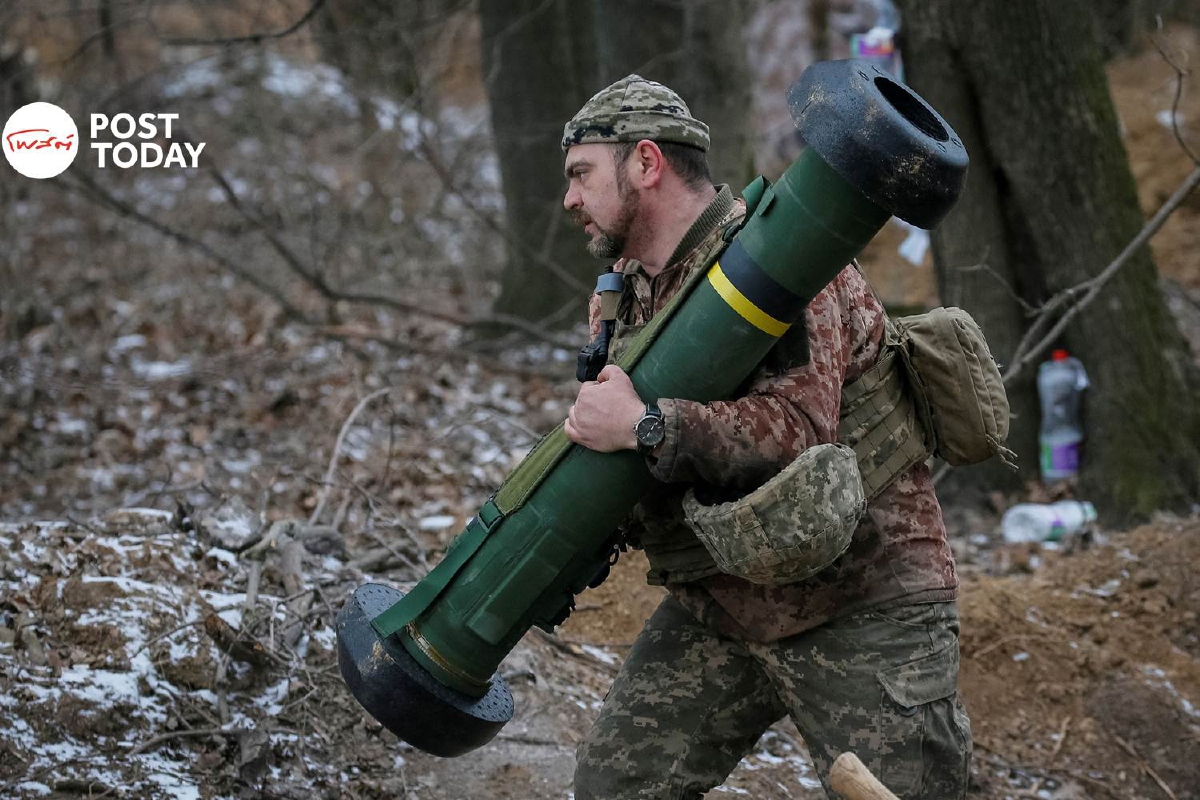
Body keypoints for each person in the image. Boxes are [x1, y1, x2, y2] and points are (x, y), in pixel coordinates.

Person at [560, 74, 972, 799]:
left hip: (863, 602)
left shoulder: (784, 258)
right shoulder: (627, 293)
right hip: (722, 605)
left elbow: (794, 432)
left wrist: (645, 425)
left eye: (581, 173)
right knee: (614, 787)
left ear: (645, 164)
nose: (569, 199)